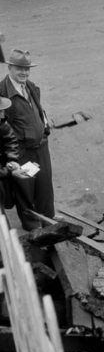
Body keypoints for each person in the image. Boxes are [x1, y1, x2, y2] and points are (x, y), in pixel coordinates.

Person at [0, 49, 55, 230]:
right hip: (22, 151)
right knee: (25, 188)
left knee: (44, 184)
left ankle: (48, 219)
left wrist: (44, 126)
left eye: (27, 69)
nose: (24, 72)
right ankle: (31, 225)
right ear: (9, 67)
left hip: (41, 146)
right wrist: (10, 158)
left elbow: (38, 109)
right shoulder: (2, 92)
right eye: (19, 69)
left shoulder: (30, 86)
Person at [0, 97, 24, 213]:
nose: (2, 115)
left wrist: (12, 159)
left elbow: (10, 140)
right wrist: (10, 171)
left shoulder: (1, 122)